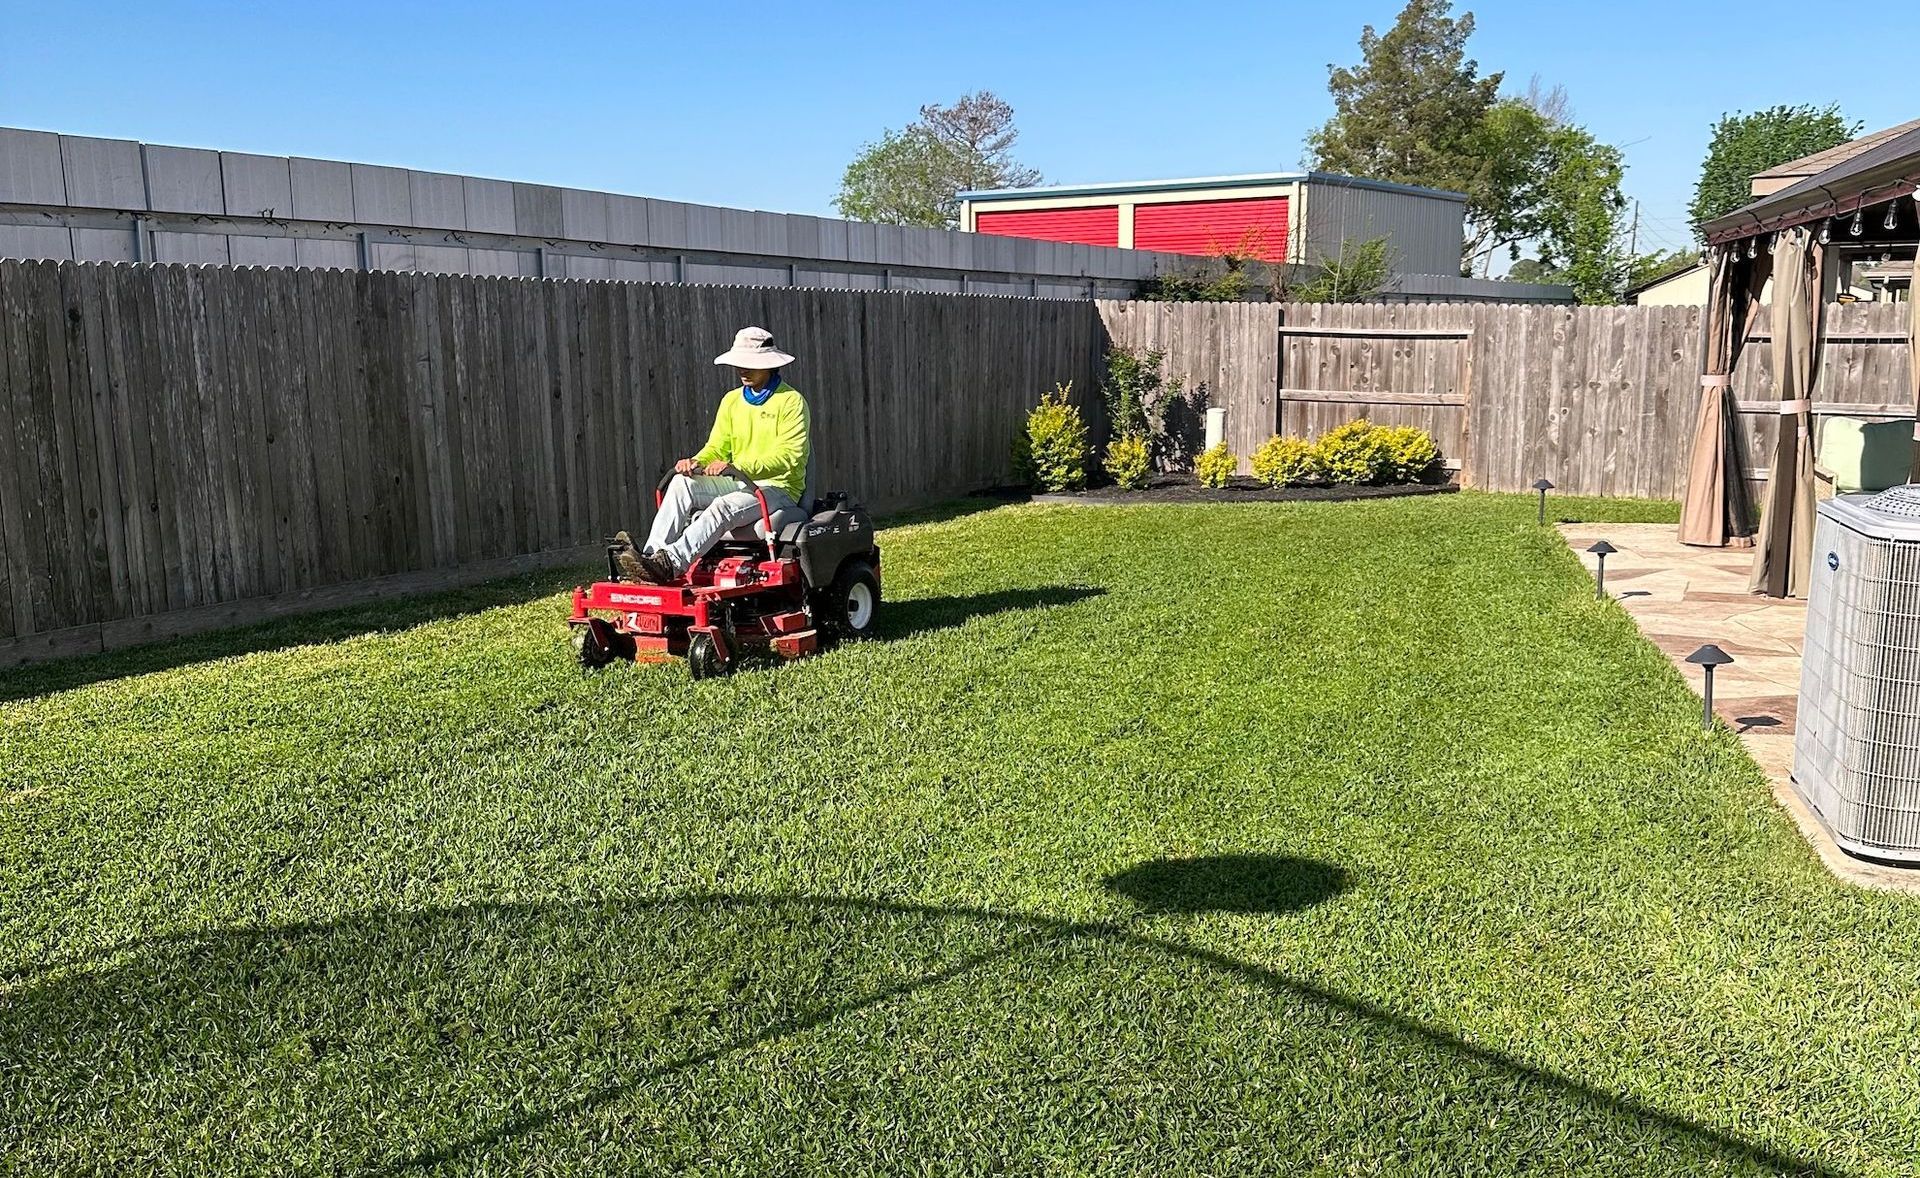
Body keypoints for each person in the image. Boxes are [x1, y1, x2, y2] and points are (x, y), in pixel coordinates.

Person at [618, 327, 810, 583]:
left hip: (780, 489)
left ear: (769, 365)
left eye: (749, 364)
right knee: (682, 483)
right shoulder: (731, 401)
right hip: (738, 482)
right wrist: (697, 462)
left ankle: (671, 564)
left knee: (722, 507)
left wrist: (736, 466)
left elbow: (790, 458)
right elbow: (717, 448)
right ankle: (651, 562)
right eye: (739, 364)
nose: (742, 369)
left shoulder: (791, 402)